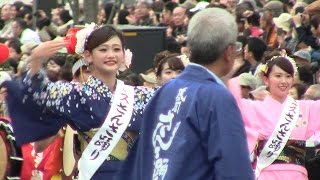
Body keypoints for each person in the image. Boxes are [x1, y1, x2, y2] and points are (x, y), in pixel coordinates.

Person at [3, 25, 156, 179]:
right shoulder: (75, 94)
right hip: (94, 174)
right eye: (103, 50)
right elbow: (36, 93)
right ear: (88, 55)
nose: (111, 55)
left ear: (123, 55)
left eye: (116, 49)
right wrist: (36, 60)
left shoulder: (140, 95)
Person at [116, 8, 254, 180]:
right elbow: (233, 169)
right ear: (229, 52)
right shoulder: (217, 97)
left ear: (189, 48)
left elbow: (141, 159)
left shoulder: (165, 91)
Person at [229, 56, 320, 180]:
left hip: (297, 175)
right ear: (266, 79)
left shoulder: (306, 108)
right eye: (278, 76)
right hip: (266, 174)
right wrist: (229, 74)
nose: (283, 81)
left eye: (288, 76)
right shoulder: (254, 108)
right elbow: (230, 102)